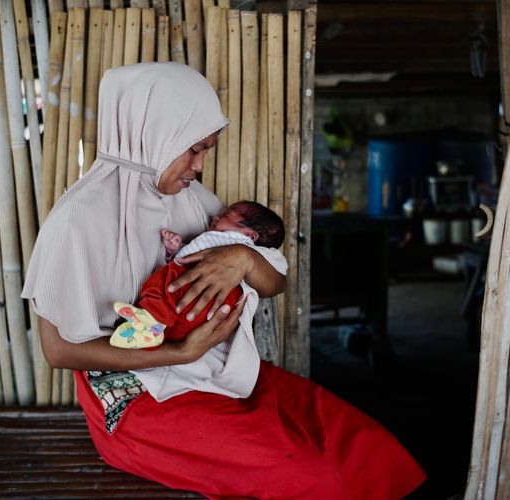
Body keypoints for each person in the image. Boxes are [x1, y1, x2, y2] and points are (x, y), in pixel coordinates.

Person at [22, 62, 425, 499]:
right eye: (193, 148)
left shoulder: (195, 202)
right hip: (138, 404)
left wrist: (243, 258)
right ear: (152, 132)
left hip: (211, 369)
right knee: (311, 476)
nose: (198, 165)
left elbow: (274, 284)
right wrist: (179, 351)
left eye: (206, 151)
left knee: (361, 442)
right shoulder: (78, 220)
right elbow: (59, 350)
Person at [110, 201, 286, 354]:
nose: (215, 217)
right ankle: (146, 330)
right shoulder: (220, 241)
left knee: (163, 280)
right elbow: (193, 253)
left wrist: (178, 255)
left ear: (249, 235)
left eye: (226, 215)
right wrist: (176, 248)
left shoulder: (243, 246)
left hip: (205, 301)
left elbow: (188, 259)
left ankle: (149, 323)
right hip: (197, 321)